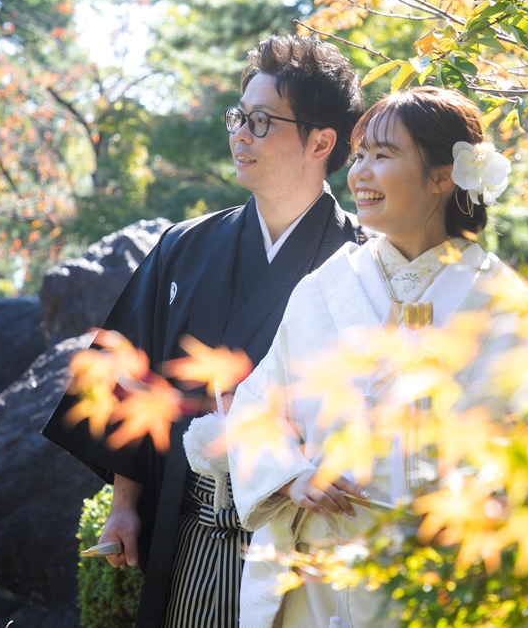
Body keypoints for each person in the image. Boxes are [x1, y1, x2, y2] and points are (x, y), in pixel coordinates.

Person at [41, 34, 367, 628]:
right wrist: (124, 506)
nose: (240, 135)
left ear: (321, 142)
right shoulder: (185, 247)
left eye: (262, 122)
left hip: (300, 538)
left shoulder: (360, 264)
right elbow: (131, 374)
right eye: (239, 117)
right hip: (191, 524)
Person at [226, 86, 528, 627]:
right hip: (318, 576)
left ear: (442, 176)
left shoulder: (502, 303)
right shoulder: (324, 287)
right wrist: (292, 476)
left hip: (442, 578)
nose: (359, 174)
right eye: (359, 156)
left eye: (383, 154)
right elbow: (256, 406)